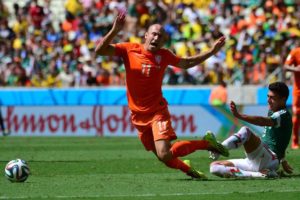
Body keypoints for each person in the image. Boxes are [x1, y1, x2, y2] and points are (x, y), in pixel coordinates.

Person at [95, 11, 229, 179]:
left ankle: (207, 143)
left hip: (157, 111)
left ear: (164, 41)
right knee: (162, 156)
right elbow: (100, 51)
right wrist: (115, 30)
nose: (156, 38)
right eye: (154, 34)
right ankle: (189, 170)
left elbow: (187, 63)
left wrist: (211, 52)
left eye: (160, 36)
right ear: (146, 35)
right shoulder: (129, 49)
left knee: (164, 153)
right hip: (137, 115)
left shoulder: (164, 55)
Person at [209, 82, 293, 178]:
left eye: (272, 98)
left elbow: (261, 121)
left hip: (269, 158)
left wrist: (239, 116)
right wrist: (282, 160)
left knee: (246, 131)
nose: (268, 100)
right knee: (214, 167)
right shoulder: (274, 111)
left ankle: (219, 149)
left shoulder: (283, 114)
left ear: (283, 99)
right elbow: (279, 139)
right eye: (268, 96)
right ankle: (259, 175)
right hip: (257, 159)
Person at [284, 46, 300, 149]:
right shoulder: (295, 52)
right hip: (298, 92)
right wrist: (296, 69)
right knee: (297, 115)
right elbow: (285, 66)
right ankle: (294, 142)